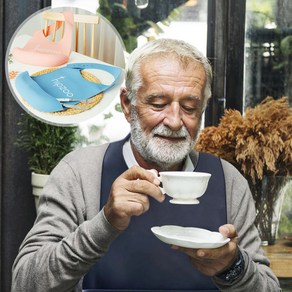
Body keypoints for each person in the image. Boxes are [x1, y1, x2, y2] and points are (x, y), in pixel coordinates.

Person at [12, 38, 280, 292]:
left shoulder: (227, 180)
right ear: (128, 105)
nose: (174, 121)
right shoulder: (80, 173)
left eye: (189, 107)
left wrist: (232, 267)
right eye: (158, 103)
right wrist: (105, 223)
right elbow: (25, 283)